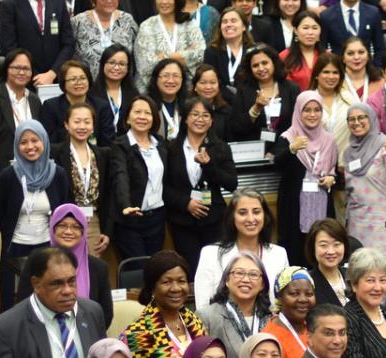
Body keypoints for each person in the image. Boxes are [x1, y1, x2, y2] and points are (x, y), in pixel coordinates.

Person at [0, 247, 116, 358]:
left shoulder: (92, 312)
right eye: (57, 283)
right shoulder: (7, 327)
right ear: (36, 284)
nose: (67, 290)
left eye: (71, 281)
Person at [0, 120, 74, 307]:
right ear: (17, 146)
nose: (30, 147)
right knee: (14, 304)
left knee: (49, 300)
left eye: (35, 140)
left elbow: (64, 211)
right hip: (15, 249)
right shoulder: (8, 176)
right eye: (23, 142)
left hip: (47, 248)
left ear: (44, 141)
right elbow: (0, 214)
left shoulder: (57, 174)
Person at [121, 251, 209, 358]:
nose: (175, 289)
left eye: (181, 281)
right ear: (152, 287)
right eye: (166, 282)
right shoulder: (138, 333)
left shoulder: (195, 322)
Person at [166, 98, 240, 264]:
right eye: (195, 114)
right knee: (190, 268)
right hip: (182, 221)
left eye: (205, 115)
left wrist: (209, 165)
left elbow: (232, 183)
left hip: (214, 220)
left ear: (211, 120)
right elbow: (163, 188)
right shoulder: (171, 148)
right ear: (185, 118)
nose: (200, 119)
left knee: (215, 267)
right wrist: (186, 203)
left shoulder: (221, 147)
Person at [196, 190, 294, 310]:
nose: (251, 218)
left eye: (256, 212)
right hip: (222, 327)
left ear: (265, 216)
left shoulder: (279, 254)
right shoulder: (210, 254)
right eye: (243, 213)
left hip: (270, 326)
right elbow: (202, 308)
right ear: (232, 217)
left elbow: (284, 303)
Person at [272, 92, 340, 265]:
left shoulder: (329, 140)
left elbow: (333, 170)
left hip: (321, 202)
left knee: (322, 242)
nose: (312, 114)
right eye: (307, 110)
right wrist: (292, 149)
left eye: (317, 110)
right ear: (298, 112)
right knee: (295, 251)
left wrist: (332, 178)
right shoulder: (288, 137)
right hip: (294, 206)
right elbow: (276, 164)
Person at [339, 103, 386, 252]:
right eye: (351, 119)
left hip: (382, 222)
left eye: (361, 117)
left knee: (383, 267)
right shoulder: (348, 152)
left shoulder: (385, 145)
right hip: (356, 222)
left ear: (371, 118)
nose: (356, 123)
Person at [113, 96, 173, 259]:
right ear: (127, 117)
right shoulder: (120, 145)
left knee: (155, 268)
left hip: (157, 218)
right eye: (137, 112)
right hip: (131, 218)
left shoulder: (161, 144)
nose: (142, 116)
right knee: (137, 269)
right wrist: (126, 205)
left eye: (147, 113)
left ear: (153, 119)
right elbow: (121, 176)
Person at [52, 103, 119, 248]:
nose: (82, 126)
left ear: (93, 126)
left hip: (93, 221)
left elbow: (108, 195)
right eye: (77, 121)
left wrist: (107, 231)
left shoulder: (103, 154)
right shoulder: (55, 153)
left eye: (87, 122)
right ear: (66, 125)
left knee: (92, 268)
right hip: (64, 222)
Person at [0, 50, 45, 174]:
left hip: (33, 172)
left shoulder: (34, 100)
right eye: (16, 68)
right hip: (3, 174)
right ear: (6, 69)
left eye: (26, 69)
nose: (21, 72)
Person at [49, 205, 116, 305]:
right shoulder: (37, 263)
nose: (68, 232)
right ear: (53, 229)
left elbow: (105, 313)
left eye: (76, 227)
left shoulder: (98, 267)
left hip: (88, 320)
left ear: (83, 232)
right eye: (62, 226)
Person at [204, 253, 275, 348]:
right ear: (226, 280)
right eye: (239, 273)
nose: (245, 279)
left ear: (262, 284)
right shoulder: (207, 317)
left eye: (253, 274)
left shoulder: (273, 321)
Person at [0, 0, 76, 85]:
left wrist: (52, 73)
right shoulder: (10, 4)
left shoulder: (58, 3)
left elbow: (68, 44)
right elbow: (7, 47)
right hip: (23, 79)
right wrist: (33, 75)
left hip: (56, 79)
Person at [134, 0, 206, 90]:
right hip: (153, 90)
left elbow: (200, 55)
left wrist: (164, 56)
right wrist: (183, 55)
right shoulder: (147, 26)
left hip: (186, 88)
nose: (164, 2)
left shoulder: (190, 24)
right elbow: (145, 65)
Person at [237, 47, 303, 142]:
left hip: (286, 148)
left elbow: (297, 124)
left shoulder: (291, 89)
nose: (261, 68)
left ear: (274, 63)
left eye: (265, 63)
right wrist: (256, 108)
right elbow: (237, 126)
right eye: (255, 65)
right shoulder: (244, 91)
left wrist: (278, 149)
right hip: (255, 149)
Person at [261, 266, 319, 358]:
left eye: (309, 294)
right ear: (279, 296)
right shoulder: (270, 338)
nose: (303, 299)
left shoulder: (316, 328)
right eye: (294, 293)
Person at [44, 61, 100, 143]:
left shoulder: (101, 106)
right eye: (73, 79)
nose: (79, 82)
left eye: (83, 78)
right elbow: (49, 142)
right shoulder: (51, 106)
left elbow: (107, 143)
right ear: (63, 82)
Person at [74, 0, 137, 70]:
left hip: (122, 79)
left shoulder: (127, 20)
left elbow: (136, 55)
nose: (109, 1)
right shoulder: (78, 22)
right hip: (88, 79)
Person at [309, 53, 358, 143]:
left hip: (346, 155)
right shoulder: (306, 100)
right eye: (326, 72)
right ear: (316, 75)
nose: (331, 77)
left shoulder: (349, 99)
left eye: (335, 72)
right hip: (315, 155)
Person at [96, 46, 140, 143]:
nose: (116, 68)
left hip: (128, 149)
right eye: (111, 63)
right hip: (100, 149)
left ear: (128, 68)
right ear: (103, 64)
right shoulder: (92, 93)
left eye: (122, 64)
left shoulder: (134, 94)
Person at [205, 12, 256, 94]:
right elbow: (211, 80)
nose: (228, 25)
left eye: (233, 21)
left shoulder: (253, 51)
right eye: (224, 22)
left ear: (244, 27)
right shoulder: (211, 52)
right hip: (220, 100)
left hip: (249, 99)